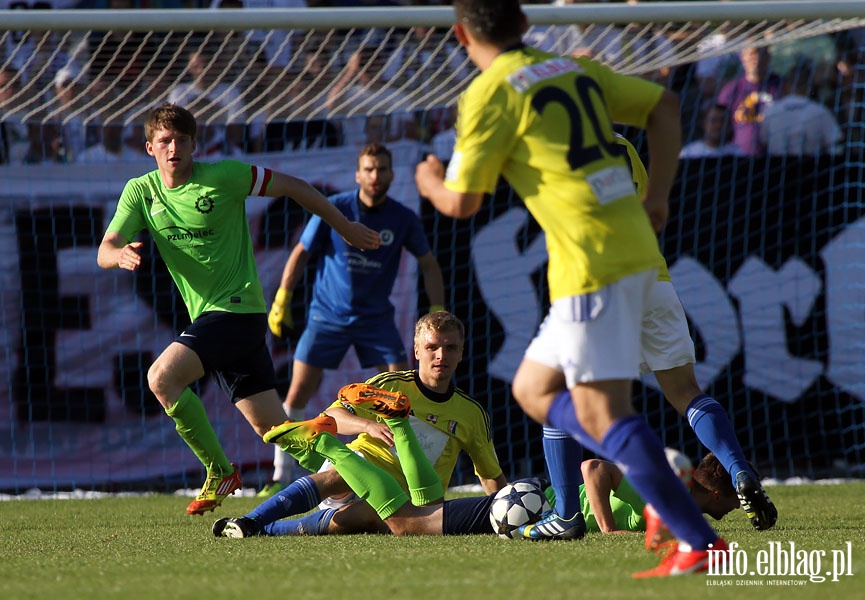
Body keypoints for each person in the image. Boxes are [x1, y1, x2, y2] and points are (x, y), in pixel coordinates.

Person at [413, 0, 727, 578]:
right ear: (525, 25)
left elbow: (463, 202)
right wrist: (656, 195)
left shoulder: (489, 93)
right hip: (631, 251)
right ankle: (661, 484)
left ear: (460, 34)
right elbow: (665, 105)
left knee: (598, 411)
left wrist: (428, 179)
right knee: (535, 390)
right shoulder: (571, 68)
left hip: (591, 265)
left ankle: (678, 504)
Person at [96, 103, 381, 515]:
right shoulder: (141, 192)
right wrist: (118, 254)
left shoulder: (225, 177)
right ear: (149, 148)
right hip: (218, 321)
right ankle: (354, 484)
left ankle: (218, 470)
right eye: (164, 141)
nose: (173, 147)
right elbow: (104, 249)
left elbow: (295, 187)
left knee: (161, 378)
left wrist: (347, 227)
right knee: (276, 429)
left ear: (195, 144)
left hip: (236, 311)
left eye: (181, 140)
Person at [518, 135, 776, 541]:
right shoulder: (623, 144)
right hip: (653, 280)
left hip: (599, 285)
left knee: (552, 394)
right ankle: (737, 468)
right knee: (686, 392)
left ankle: (568, 514)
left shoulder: (560, 143)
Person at [213, 311, 507, 537]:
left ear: (462, 353)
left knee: (363, 519)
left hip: (412, 499)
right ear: (417, 351)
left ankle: (267, 530)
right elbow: (332, 417)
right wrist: (367, 426)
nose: (441, 355)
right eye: (432, 347)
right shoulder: (390, 385)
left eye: (450, 348)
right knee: (338, 474)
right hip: (361, 466)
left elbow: (490, 474)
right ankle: (253, 520)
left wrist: (505, 511)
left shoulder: (471, 413)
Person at [261, 143, 445, 496]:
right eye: (370, 169)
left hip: (376, 319)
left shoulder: (403, 218)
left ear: (392, 174)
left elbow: (429, 263)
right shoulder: (336, 209)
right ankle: (279, 474)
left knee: (404, 386)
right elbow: (301, 253)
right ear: (358, 174)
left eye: (382, 169)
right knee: (299, 389)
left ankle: (403, 467)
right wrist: (282, 298)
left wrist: (437, 310)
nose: (376, 176)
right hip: (326, 316)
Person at [759, 60, 843, 156]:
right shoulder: (820, 112)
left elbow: (764, 142)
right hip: (811, 168)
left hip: (776, 168)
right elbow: (836, 147)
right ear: (810, 86)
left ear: (786, 85)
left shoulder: (770, 112)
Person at [717, 46, 782, 157]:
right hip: (740, 156)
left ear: (768, 57)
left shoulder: (781, 85)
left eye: (761, 54)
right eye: (752, 54)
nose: (757, 59)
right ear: (743, 57)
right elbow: (719, 123)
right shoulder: (731, 89)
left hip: (776, 156)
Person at [679, 104, 743, 159]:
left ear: (730, 125)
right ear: (704, 124)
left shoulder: (738, 154)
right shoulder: (688, 153)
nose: (718, 125)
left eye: (723, 121)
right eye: (713, 121)